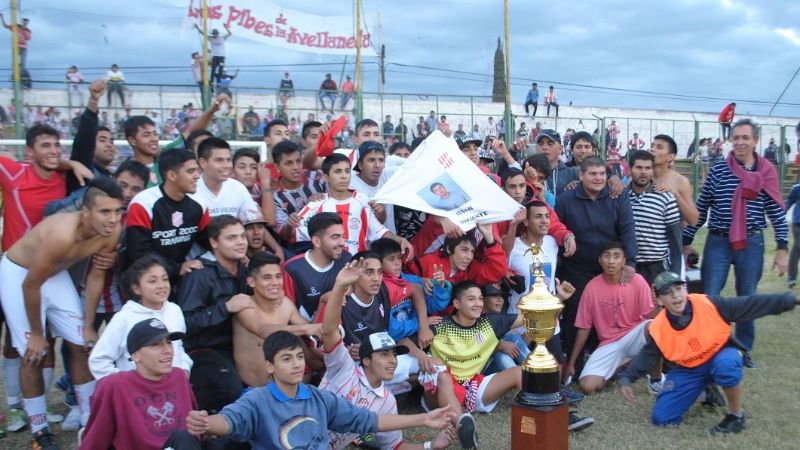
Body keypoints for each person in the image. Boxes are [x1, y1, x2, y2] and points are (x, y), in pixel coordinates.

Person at [0, 179, 123, 447]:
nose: (113, 219)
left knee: (81, 343)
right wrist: (36, 333)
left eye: (117, 211)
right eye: (105, 212)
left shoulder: (112, 231)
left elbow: (95, 277)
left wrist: (89, 324)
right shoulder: (62, 233)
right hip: (20, 272)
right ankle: (39, 430)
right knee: (33, 353)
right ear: (86, 212)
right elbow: (30, 284)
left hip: (55, 275)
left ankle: (90, 419)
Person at [185, 331, 455, 449]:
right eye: (286, 359)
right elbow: (231, 420)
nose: (295, 365)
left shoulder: (319, 399)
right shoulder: (259, 399)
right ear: (269, 366)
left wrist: (424, 422)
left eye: (298, 357)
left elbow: (370, 421)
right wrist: (208, 422)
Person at [617, 271, 800, 434]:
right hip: (689, 369)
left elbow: (751, 303)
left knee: (726, 367)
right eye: (667, 292)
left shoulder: (710, 304)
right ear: (658, 300)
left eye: (679, 288)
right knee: (662, 419)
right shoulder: (658, 328)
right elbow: (647, 356)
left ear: (685, 289)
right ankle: (706, 393)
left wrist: (790, 299)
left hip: (720, 354)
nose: (675, 295)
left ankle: (736, 415)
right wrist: (626, 378)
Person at [320, 259, 455, 449]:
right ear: (366, 360)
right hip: (296, 438)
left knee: (436, 365)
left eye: (393, 354)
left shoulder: (388, 403)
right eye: (384, 355)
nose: (392, 360)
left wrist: (430, 446)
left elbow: (395, 447)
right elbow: (328, 331)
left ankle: (457, 421)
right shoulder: (344, 369)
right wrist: (340, 286)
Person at [683, 119, 788, 361]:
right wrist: (686, 239)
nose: (740, 142)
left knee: (747, 297)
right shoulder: (719, 169)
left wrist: (782, 248)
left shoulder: (766, 171)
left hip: (751, 242)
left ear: (755, 141)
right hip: (718, 241)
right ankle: (710, 345)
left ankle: (743, 349)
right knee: (709, 296)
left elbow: (776, 212)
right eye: (736, 137)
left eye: (745, 137)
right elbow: (703, 205)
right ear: (731, 140)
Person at [555, 156, 638, 376]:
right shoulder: (565, 200)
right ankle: (574, 366)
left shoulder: (617, 196)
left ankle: (608, 362)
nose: (598, 178)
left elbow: (628, 229)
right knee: (575, 316)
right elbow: (557, 230)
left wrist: (629, 262)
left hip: (609, 268)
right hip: (576, 269)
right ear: (581, 176)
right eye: (592, 174)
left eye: (602, 173)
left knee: (611, 314)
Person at [80, 318, 199, 450]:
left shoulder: (179, 377)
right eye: (156, 344)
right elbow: (96, 438)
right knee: (184, 438)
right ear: (136, 356)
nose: (168, 350)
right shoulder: (114, 386)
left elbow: (194, 428)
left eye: (169, 342)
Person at [176, 215, 251, 416]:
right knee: (232, 393)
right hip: (205, 349)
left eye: (243, 236)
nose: (240, 242)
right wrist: (225, 307)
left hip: (238, 344)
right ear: (214, 242)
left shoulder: (244, 266)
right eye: (232, 238)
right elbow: (186, 322)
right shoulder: (199, 273)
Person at [565, 242, 658, 394]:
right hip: (609, 343)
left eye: (616, 256)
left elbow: (652, 317)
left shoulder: (637, 280)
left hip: (634, 335)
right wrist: (572, 362)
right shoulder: (592, 287)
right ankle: (618, 368)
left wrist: (658, 305)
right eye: (607, 256)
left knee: (654, 326)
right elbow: (584, 326)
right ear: (600, 260)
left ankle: (656, 381)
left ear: (624, 261)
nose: (611, 261)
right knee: (587, 386)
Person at [88, 252, 192, 382]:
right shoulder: (124, 318)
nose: (161, 285)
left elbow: (178, 347)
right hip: (138, 396)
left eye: (165, 279)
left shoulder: (174, 310)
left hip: (172, 389)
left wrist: (184, 370)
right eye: (152, 281)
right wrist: (126, 386)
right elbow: (99, 360)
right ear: (136, 289)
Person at [294, 153, 413, 257]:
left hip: (358, 269)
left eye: (347, 171)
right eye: (337, 171)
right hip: (328, 273)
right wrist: (290, 225)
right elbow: (294, 233)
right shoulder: (316, 203)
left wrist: (400, 240)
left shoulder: (362, 201)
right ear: (326, 177)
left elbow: (378, 231)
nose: (344, 176)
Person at [125, 149, 211, 289]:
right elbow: (139, 253)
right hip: (143, 281)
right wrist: (177, 268)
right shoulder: (142, 203)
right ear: (171, 175)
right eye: (190, 171)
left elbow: (209, 240)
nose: (197, 176)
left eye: (197, 171)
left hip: (180, 277)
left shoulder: (200, 203)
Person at [233, 252, 320, 388]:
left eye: (278, 277)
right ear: (251, 281)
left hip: (285, 390)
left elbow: (311, 330)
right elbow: (262, 330)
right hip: (252, 393)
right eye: (267, 277)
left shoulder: (286, 304)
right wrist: (306, 328)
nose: (274, 283)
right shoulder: (244, 305)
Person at [282, 212, 352, 321]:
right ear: (317, 241)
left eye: (343, 236)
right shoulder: (292, 269)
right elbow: (287, 313)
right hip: (309, 334)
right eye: (335, 237)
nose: (342, 242)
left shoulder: (346, 259)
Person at [626, 150, 682, 283]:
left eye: (648, 168)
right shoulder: (621, 197)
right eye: (639, 167)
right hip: (628, 266)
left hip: (657, 267)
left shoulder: (665, 197)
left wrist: (675, 274)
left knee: (657, 304)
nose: (643, 172)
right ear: (630, 170)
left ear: (652, 171)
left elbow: (675, 240)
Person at [271, 140, 327, 246]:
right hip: (299, 248)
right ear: (277, 168)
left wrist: (324, 199)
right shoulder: (275, 197)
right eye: (289, 163)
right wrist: (308, 208)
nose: (296, 167)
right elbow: (285, 235)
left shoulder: (318, 178)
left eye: (298, 161)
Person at [649, 134, 699, 226]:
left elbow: (693, 220)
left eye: (659, 147)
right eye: (652, 146)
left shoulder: (680, 181)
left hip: (669, 239)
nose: (652, 149)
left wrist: (675, 194)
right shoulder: (642, 177)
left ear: (670, 157)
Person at [536, 129, 579, 195]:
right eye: (540, 144)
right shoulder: (529, 173)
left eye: (550, 144)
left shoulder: (573, 173)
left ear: (560, 148)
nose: (544, 147)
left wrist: (581, 184)